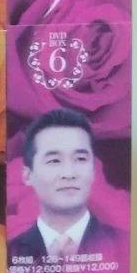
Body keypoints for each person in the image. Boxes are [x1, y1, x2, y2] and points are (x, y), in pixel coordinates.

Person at [9, 108, 124, 264]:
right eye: (54, 161)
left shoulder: (126, 240)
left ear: (94, 170)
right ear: (27, 175)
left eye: (80, 159)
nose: (69, 174)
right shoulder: (7, 244)